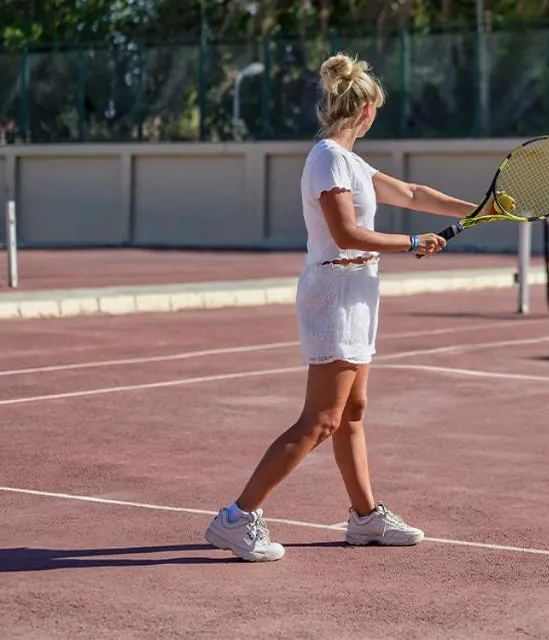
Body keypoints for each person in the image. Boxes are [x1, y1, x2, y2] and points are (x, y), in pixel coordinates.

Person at [204, 52, 494, 562]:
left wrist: (479, 208)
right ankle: (236, 517)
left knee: (352, 413)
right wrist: (411, 243)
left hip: (359, 293)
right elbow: (345, 233)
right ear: (367, 111)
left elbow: (410, 191)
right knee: (320, 420)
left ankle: (364, 519)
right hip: (333, 295)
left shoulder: (352, 162)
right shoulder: (326, 160)